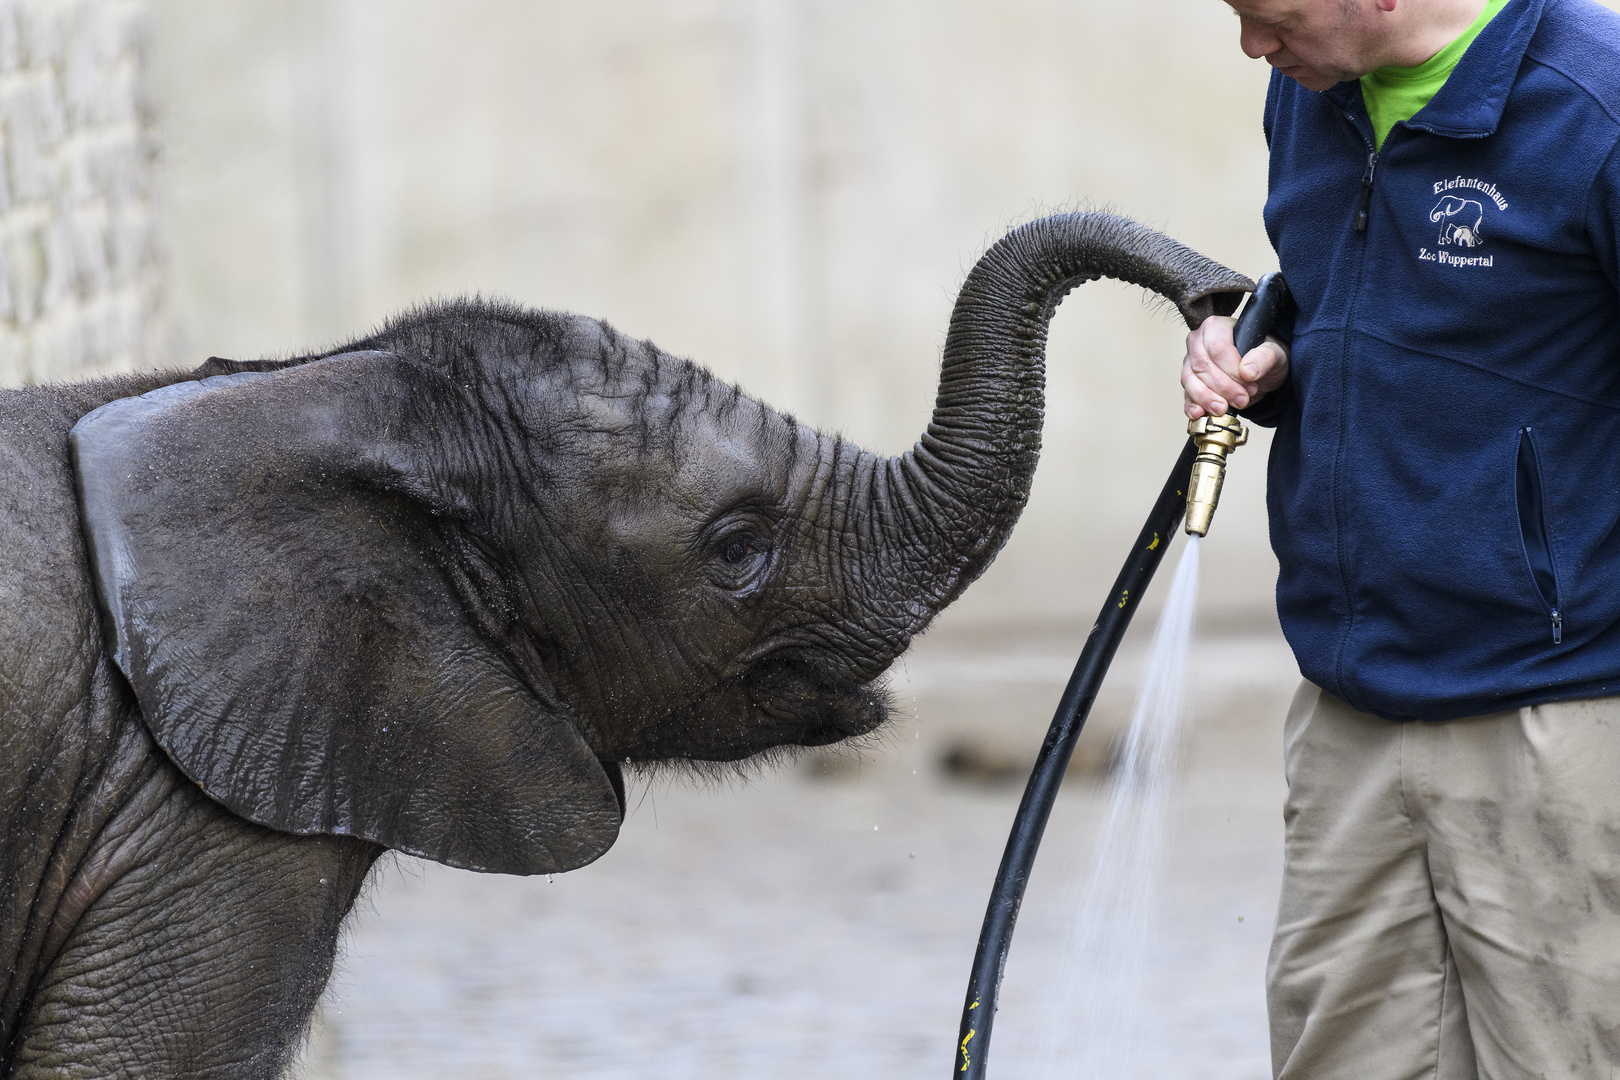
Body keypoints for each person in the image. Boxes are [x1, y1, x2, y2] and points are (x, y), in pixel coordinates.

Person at [1182, 0, 1620, 1075]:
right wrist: (1263, 344)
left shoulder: (1595, 113)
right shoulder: (1313, 89)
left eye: (1267, 16)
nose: (1251, 45)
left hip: (1556, 720)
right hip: (1351, 720)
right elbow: (1353, 298)